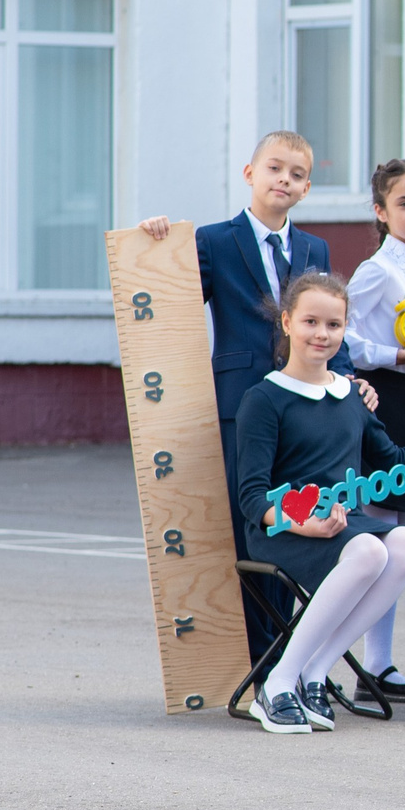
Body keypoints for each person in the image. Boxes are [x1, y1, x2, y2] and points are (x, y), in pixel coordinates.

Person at [233, 272, 405, 732]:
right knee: (371, 549)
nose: (322, 334)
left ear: (344, 330)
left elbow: (394, 460)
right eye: (311, 321)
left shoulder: (351, 394)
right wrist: (305, 524)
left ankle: (316, 673)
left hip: (343, 522)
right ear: (287, 322)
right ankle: (278, 683)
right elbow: (252, 498)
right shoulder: (264, 398)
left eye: (334, 325)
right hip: (283, 532)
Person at [136, 130, 356, 663]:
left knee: (299, 528)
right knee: (254, 528)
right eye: (275, 168)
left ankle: (296, 659)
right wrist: (154, 243)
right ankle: (264, 665)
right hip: (243, 407)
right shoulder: (213, 240)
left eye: (297, 174)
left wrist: (350, 380)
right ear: (249, 174)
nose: (285, 180)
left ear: (306, 188)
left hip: (306, 413)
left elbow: (327, 322)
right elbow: (168, 301)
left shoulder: (314, 248)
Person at [343, 158, 405, 525]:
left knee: (401, 524)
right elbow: (341, 337)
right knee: (376, 521)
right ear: (380, 211)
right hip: (381, 397)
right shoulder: (377, 269)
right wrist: (395, 355)